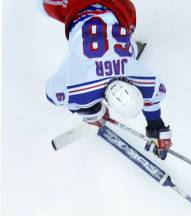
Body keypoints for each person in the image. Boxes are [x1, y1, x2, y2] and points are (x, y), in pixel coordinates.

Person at [38, 0, 171, 158]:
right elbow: (52, 93)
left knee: (126, 39)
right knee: (42, 6)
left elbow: (152, 96)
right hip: (79, 7)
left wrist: (158, 128)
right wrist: (91, 112)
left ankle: (130, 50)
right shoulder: (83, 90)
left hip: (117, 6)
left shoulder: (137, 75)